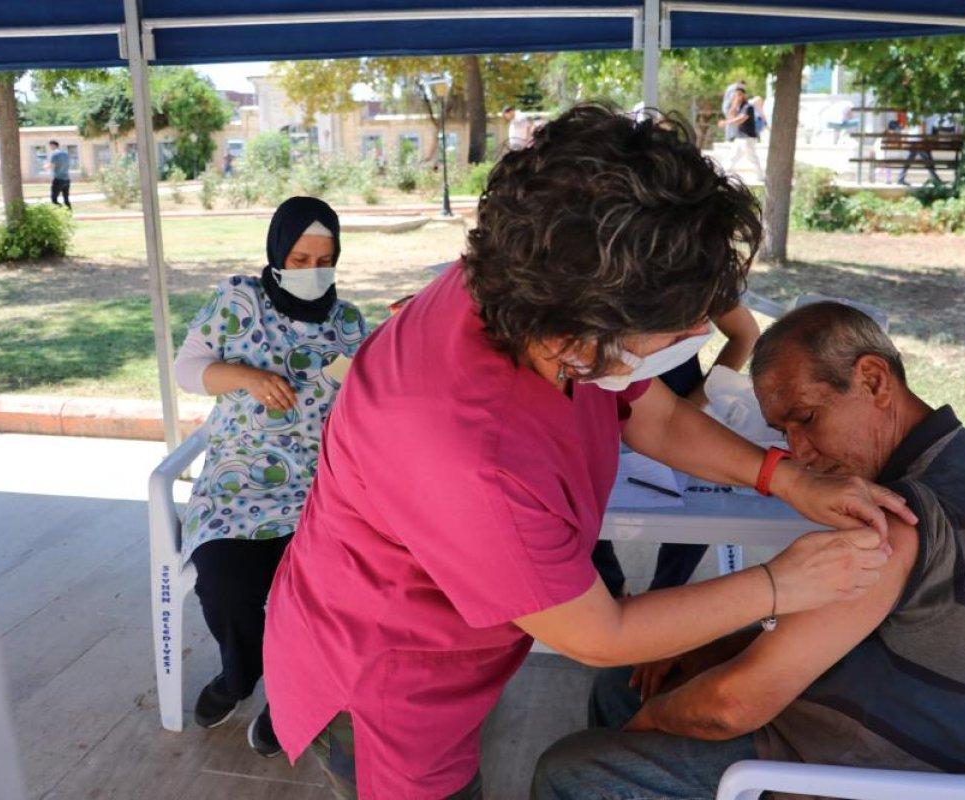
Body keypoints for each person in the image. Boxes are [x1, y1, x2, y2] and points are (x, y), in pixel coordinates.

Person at [262, 105, 915, 800]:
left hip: (441, 635)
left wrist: (785, 480)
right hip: (380, 675)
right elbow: (600, 634)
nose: (700, 332)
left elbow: (656, 417)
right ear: (581, 333)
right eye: (678, 328)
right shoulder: (469, 451)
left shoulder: (532, 293)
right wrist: (782, 583)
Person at [533, 302, 965, 800]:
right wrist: (702, 652)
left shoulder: (894, 522)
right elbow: (828, 632)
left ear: (873, 380)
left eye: (807, 418)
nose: (799, 453)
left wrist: (648, 724)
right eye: (784, 432)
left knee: (573, 770)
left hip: (874, 766)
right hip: (917, 723)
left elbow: (732, 706)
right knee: (625, 684)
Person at [173, 196, 368, 759]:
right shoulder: (237, 301)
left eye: (324, 261)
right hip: (235, 485)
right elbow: (187, 370)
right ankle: (239, 674)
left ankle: (290, 702)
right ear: (278, 253)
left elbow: (367, 400)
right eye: (300, 260)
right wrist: (246, 377)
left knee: (321, 595)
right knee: (225, 586)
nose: (312, 272)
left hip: (316, 491)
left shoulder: (348, 323)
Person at [591, 304, 761, 596]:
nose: (699, 330)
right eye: (684, 327)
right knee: (587, 508)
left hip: (679, 406)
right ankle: (613, 588)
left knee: (700, 509)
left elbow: (745, 333)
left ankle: (663, 593)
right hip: (602, 416)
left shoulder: (699, 280)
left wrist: (694, 403)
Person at [719, 87, 762, 176]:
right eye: (736, 95)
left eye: (739, 95)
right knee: (732, 157)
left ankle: (761, 176)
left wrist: (725, 123)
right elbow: (731, 117)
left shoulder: (748, 107)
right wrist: (734, 105)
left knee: (752, 158)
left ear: (744, 95)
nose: (737, 97)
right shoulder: (739, 107)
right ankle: (724, 174)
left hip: (747, 137)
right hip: (739, 137)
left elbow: (741, 119)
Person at [46, 140, 71, 210]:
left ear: (53, 145)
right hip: (67, 179)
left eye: (50, 146)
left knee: (54, 199)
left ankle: (61, 211)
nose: (50, 148)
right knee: (66, 199)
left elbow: (52, 165)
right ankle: (69, 212)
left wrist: (46, 166)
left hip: (58, 179)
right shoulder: (65, 154)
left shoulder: (54, 154)